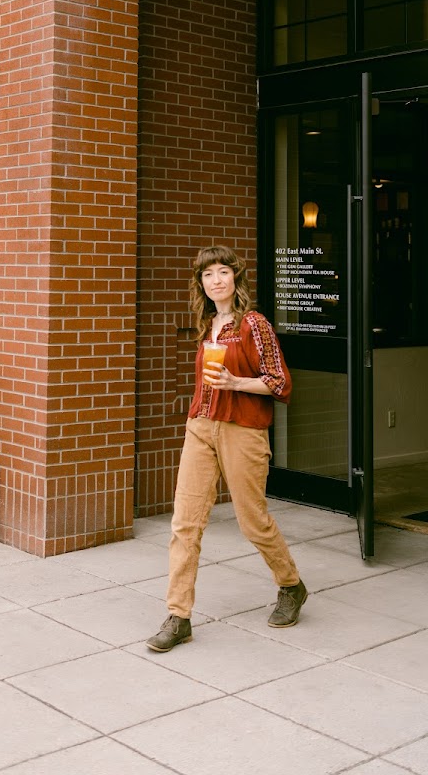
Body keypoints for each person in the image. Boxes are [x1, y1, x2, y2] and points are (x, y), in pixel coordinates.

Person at [146, 244, 307, 653]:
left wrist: (237, 384)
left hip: (243, 429)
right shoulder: (208, 324)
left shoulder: (254, 324)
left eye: (222, 272)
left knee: (252, 520)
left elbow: (279, 382)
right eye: (207, 275)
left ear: (236, 278)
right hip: (201, 427)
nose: (216, 280)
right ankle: (178, 615)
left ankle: (291, 585)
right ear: (200, 284)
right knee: (185, 523)